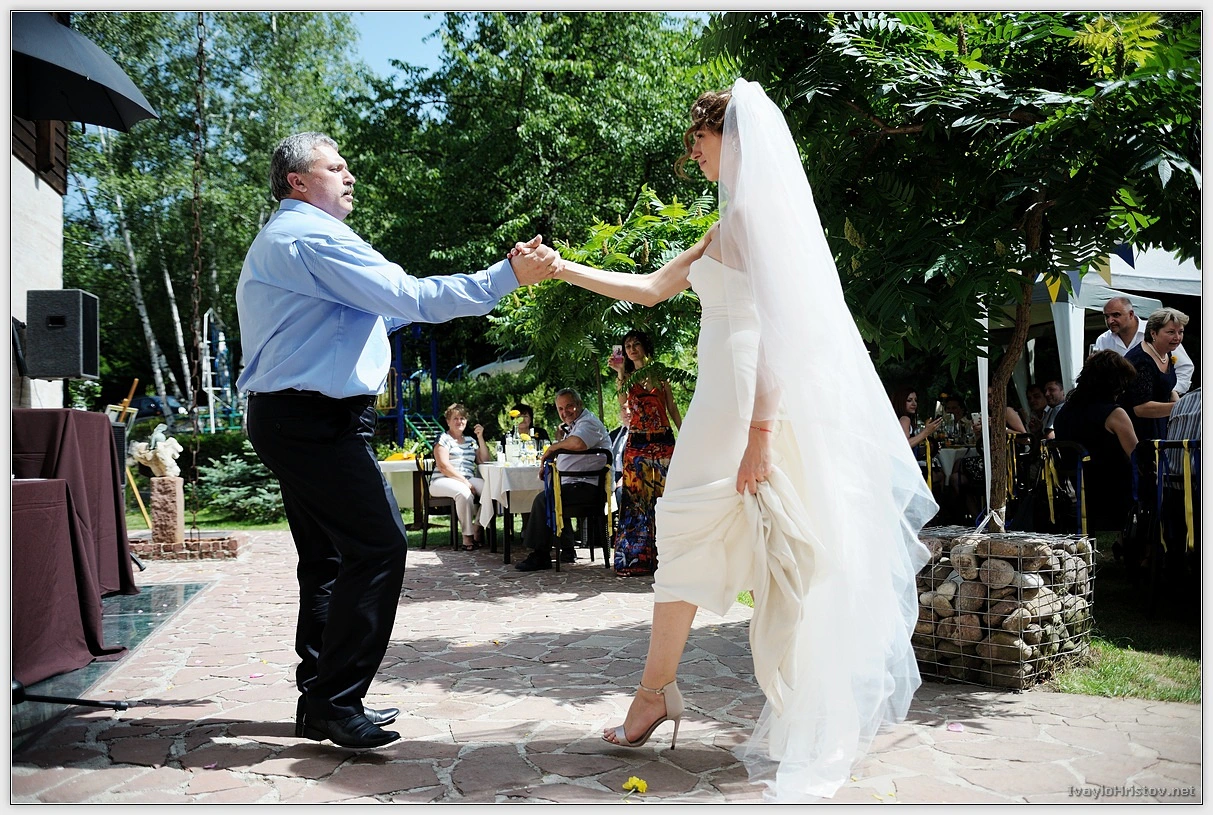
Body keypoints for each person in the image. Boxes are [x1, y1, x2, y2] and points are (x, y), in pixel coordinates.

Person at [533, 80, 936, 800]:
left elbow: (784, 333)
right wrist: (561, 268)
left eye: (700, 139)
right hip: (722, 397)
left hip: (745, 400)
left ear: (733, 136)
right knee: (698, 533)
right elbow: (650, 288)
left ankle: (663, 692)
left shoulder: (755, 217)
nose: (694, 153)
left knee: (709, 534)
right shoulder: (728, 222)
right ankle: (657, 690)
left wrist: (760, 435)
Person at [236, 132, 558, 750]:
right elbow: (408, 295)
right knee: (379, 546)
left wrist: (481, 285)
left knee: (329, 560)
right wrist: (505, 276)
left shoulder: (292, 239)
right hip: (314, 421)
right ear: (298, 181)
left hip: (297, 418)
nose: (349, 175)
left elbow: (382, 312)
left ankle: (320, 699)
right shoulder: (310, 237)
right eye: (335, 166)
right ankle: (335, 701)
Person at [608, 329, 683, 576]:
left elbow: (671, 407)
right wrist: (620, 372)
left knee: (666, 498)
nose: (631, 349)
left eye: (635, 344)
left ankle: (670, 556)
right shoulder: (627, 378)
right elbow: (623, 404)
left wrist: (684, 435)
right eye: (627, 346)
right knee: (636, 502)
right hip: (637, 444)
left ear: (645, 346)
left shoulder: (660, 374)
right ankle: (636, 559)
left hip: (663, 441)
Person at [513, 388, 613, 571]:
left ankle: (540, 555)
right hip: (576, 483)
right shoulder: (576, 424)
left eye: (569, 406)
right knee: (552, 493)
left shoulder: (588, 423)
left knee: (544, 500)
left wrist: (553, 448)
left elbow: (578, 443)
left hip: (589, 487)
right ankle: (564, 549)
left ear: (579, 404)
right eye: (560, 408)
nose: (564, 412)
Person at [1050, 350, 1139, 531]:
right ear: (1115, 384)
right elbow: (1138, 457)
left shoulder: (1063, 413)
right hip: (1113, 493)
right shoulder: (1114, 414)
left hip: (1080, 490)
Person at [1095, 296, 1193, 395]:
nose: (1110, 321)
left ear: (1131, 314)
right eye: (1106, 316)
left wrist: (1173, 391)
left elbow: (1185, 367)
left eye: (1116, 315)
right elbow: (1098, 375)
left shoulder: (1157, 332)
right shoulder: (1103, 340)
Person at [1119, 307, 1188, 442]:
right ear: (1153, 333)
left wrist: (1173, 393)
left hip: (1159, 423)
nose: (1177, 337)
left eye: (1180, 332)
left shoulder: (1166, 352)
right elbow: (1140, 408)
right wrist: (1181, 407)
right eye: (1171, 332)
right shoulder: (1140, 361)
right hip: (1139, 431)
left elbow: (1162, 385)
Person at [431, 403, 490, 551]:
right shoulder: (443, 439)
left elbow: (484, 461)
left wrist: (480, 437)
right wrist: (465, 482)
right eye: (455, 418)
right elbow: (443, 466)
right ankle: (467, 536)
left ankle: (478, 527)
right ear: (448, 422)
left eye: (462, 418)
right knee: (464, 493)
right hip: (442, 480)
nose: (459, 421)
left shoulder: (470, 441)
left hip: (467, 479)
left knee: (491, 490)